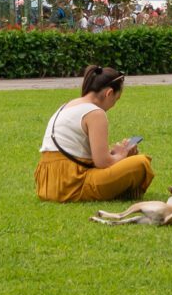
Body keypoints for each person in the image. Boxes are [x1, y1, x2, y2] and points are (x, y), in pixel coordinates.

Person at [34, 65, 153, 204]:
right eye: (116, 98)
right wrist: (123, 155)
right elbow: (103, 163)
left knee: (131, 162)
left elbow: (84, 154)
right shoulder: (95, 113)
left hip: (47, 184)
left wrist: (115, 154)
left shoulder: (67, 105)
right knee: (141, 162)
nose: (114, 104)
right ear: (109, 93)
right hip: (71, 184)